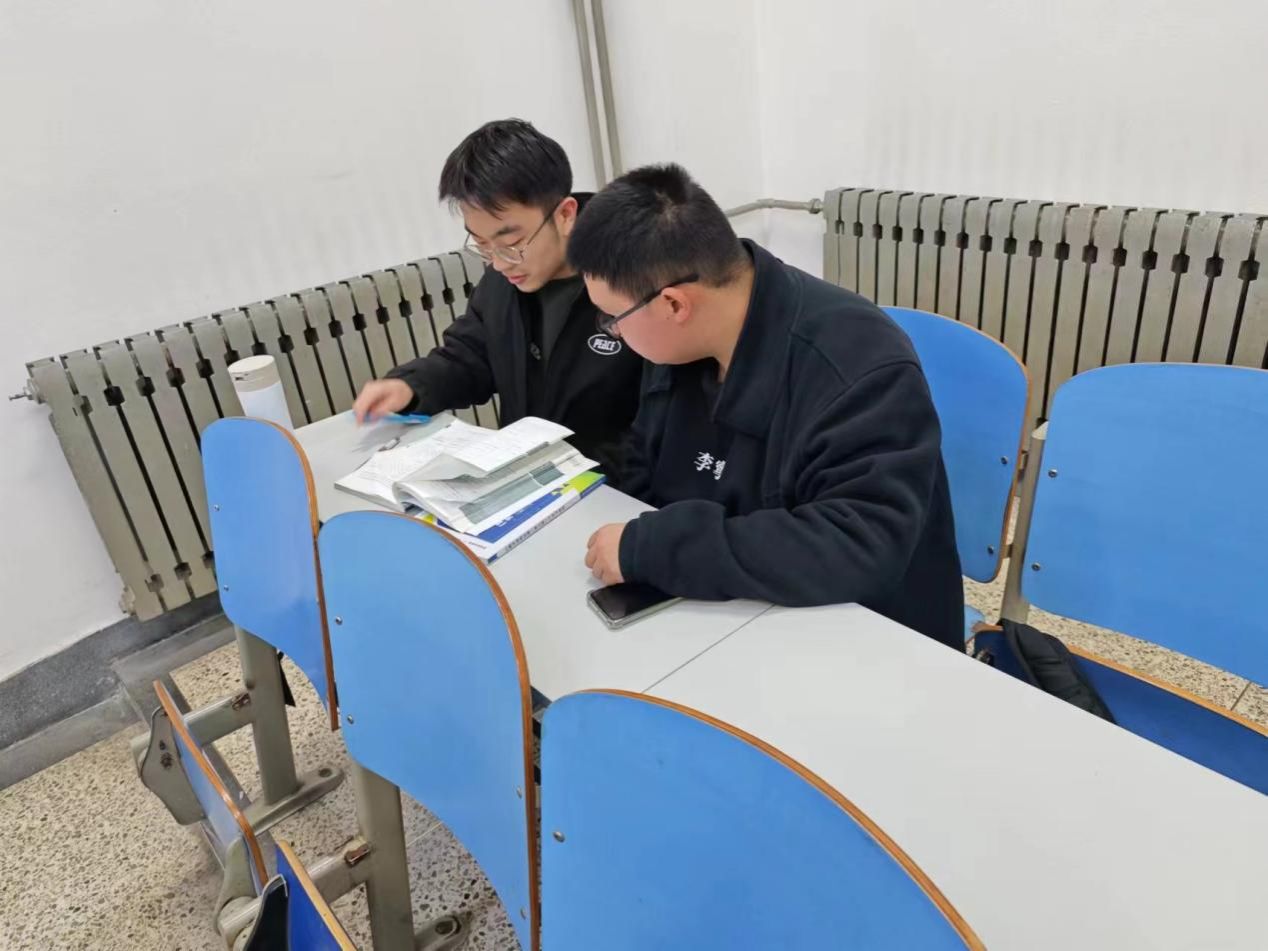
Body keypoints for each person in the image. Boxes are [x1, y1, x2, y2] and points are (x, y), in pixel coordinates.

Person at [569, 164, 964, 649]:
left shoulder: (859, 364)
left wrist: (655, 548)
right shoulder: (679, 348)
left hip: (861, 634)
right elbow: (644, 465)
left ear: (674, 304)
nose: (612, 332)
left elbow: (860, 544)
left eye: (614, 318)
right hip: (727, 612)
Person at [351, 119, 643, 478]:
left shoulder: (634, 282)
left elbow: (662, 426)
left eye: (511, 242)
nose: (499, 262)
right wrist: (410, 386)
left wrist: (595, 482)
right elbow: (471, 357)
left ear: (565, 215)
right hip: (528, 482)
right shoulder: (505, 279)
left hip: (611, 492)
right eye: (481, 243)